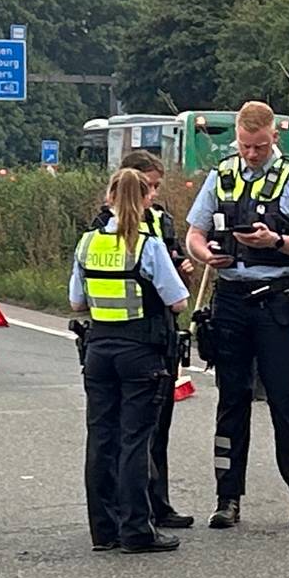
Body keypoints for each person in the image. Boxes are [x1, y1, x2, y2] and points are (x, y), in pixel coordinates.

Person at [184, 101, 289, 530]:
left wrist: (276, 241)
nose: (251, 154)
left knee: (286, 401)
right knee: (231, 402)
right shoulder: (221, 175)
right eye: (246, 146)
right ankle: (227, 498)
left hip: (276, 301)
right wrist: (205, 253)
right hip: (230, 298)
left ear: (274, 138)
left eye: (260, 146)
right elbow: (194, 232)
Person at [71, 168, 194, 553]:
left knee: (101, 438)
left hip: (98, 351)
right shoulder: (147, 245)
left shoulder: (87, 243)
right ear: (145, 201)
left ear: (108, 198)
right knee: (135, 441)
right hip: (141, 352)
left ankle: (103, 531)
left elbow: (77, 301)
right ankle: (137, 530)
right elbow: (178, 301)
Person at [115, 148, 195, 530]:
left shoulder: (161, 219)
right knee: (131, 431)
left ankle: (159, 504)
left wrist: (184, 265)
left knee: (158, 428)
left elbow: (176, 257)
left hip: (161, 333)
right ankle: (133, 510)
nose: (154, 194)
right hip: (134, 334)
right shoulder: (107, 223)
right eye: (150, 186)